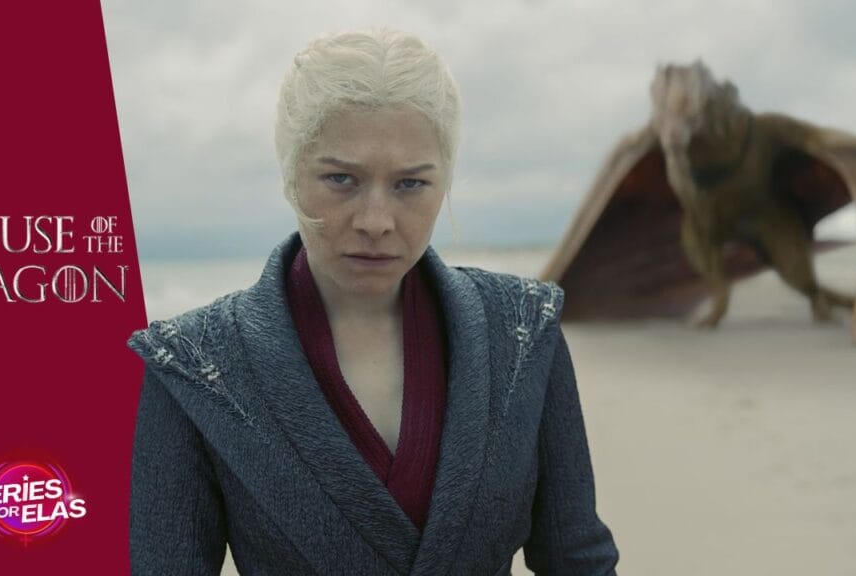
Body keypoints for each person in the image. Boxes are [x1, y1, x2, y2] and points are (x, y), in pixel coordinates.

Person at [127, 28, 619, 575]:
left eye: (410, 184)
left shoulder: (524, 331)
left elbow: (577, 558)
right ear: (290, 175)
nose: (376, 221)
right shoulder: (192, 368)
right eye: (342, 179)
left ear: (445, 180)